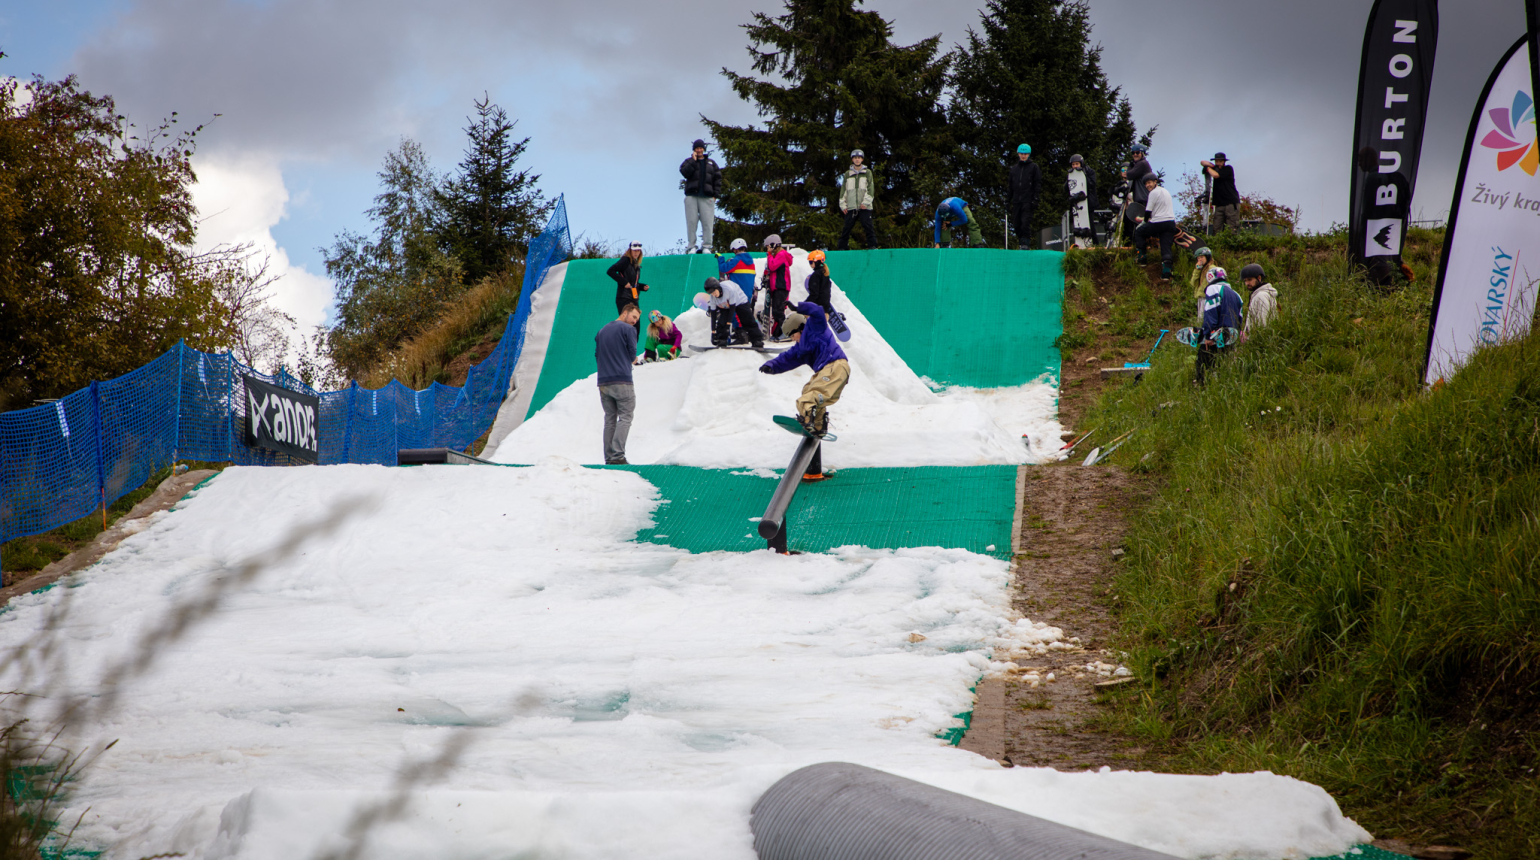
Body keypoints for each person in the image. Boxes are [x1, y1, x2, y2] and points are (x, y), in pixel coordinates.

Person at [759, 304, 849, 440]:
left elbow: (818, 310)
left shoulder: (816, 327)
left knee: (813, 394)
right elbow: (787, 358)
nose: (793, 339)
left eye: (793, 335)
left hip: (835, 365)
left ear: (800, 327)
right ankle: (818, 425)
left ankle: (806, 419)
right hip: (827, 370)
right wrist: (771, 365)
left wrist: (800, 308)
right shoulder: (801, 349)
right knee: (808, 389)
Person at [595, 304, 641, 465]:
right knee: (626, 417)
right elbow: (632, 354)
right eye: (634, 317)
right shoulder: (628, 329)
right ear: (625, 312)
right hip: (622, 380)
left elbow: (597, 355)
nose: (635, 321)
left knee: (610, 419)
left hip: (603, 381)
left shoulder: (601, 331)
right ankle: (618, 455)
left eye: (636, 319)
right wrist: (633, 359)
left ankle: (609, 457)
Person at [1197, 266, 1242, 385]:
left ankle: (1201, 388)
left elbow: (1211, 311)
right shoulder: (1236, 294)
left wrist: (1208, 335)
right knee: (1223, 367)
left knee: (1204, 365)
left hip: (1216, 336)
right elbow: (1240, 318)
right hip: (1231, 338)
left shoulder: (1213, 289)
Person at [680, 139, 722, 253]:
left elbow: (718, 179)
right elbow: (684, 172)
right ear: (694, 150)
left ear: (703, 149)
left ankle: (707, 246)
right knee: (691, 222)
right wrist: (693, 161)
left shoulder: (711, 163)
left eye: (700, 148)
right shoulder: (688, 161)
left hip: (707, 197)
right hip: (691, 196)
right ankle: (691, 246)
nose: (699, 150)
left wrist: (715, 195)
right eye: (697, 148)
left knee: (707, 222)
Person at [1133, 173, 1177, 281]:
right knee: (1166, 246)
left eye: (1149, 183)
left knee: (1139, 232)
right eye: (1146, 184)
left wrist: (1144, 222)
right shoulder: (1165, 191)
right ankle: (1166, 273)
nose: (1147, 185)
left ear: (1155, 182)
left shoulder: (1153, 193)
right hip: (1170, 222)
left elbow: (1148, 211)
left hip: (1158, 222)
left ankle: (1142, 259)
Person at [703, 277, 765, 348]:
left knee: (747, 320)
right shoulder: (713, 297)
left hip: (739, 301)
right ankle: (721, 339)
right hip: (725, 304)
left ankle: (757, 340)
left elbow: (732, 310)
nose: (714, 295)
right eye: (711, 293)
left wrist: (728, 326)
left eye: (714, 292)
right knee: (722, 321)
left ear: (718, 288)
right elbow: (713, 316)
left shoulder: (728, 290)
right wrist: (713, 332)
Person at [719, 237, 758, 340]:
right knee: (745, 313)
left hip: (737, 293)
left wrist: (720, 258)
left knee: (735, 312)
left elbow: (724, 268)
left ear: (735, 249)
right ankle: (745, 333)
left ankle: (741, 335)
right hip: (748, 292)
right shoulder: (751, 262)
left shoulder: (737, 260)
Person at [837, 150, 877, 250]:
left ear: (862, 159)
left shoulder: (867, 172)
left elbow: (871, 189)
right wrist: (843, 205)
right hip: (851, 206)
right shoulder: (848, 174)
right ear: (852, 159)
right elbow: (843, 191)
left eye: (859, 158)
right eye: (855, 158)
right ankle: (842, 248)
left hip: (864, 206)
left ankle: (872, 246)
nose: (857, 160)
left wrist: (866, 202)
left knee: (868, 226)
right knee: (847, 227)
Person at [606, 242, 649, 333]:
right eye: (634, 250)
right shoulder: (625, 260)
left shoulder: (635, 263)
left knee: (636, 327)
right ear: (630, 250)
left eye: (638, 251)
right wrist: (623, 282)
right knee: (627, 325)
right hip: (624, 298)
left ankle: (632, 343)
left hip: (633, 298)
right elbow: (610, 271)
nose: (636, 253)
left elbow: (632, 283)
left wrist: (642, 286)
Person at [1007, 144, 1042, 249]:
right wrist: (1008, 201)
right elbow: (1010, 186)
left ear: (1028, 155)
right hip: (1016, 200)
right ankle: (1021, 242)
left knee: (1025, 222)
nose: (1023, 156)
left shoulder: (1034, 167)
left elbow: (1037, 183)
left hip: (1028, 200)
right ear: (1018, 154)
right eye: (1021, 154)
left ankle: (1025, 243)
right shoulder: (1014, 169)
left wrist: (1036, 198)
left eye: (1025, 154)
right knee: (1016, 224)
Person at [1119, 143, 1153, 241]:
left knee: (1142, 225)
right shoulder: (1140, 164)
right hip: (1142, 198)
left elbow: (1129, 175)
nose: (1135, 154)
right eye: (1133, 153)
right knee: (1139, 225)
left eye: (1137, 152)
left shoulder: (1142, 164)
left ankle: (1144, 243)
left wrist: (1130, 165)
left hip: (1143, 198)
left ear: (1142, 153)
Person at [762, 234, 794, 338]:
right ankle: (777, 333)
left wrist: (769, 255)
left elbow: (772, 266)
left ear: (773, 245)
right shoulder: (777, 255)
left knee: (778, 311)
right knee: (776, 311)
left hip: (781, 286)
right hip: (777, 287)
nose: (767, 249)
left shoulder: (781, 254)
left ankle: (783, 333)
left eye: (768, 247)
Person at [1066, 153, 1099, 245]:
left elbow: (1092, 184)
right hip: (1077, 204)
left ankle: (1095, 245)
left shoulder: (1089, 171)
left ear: (1081, 163)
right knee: (1077, 226)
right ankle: (1080, 245)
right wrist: (1069, 178)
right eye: (1073, 164)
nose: (1075, 166)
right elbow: (1066, 188)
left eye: (1077, 164)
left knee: (1090, 225)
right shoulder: (1071, 174)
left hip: (1088, 203)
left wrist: (1084, 175)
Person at [1201, 153, 1239, 233]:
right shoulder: (1214, 168)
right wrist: (1211, 166)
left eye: (1220, 161)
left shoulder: (1228, 169)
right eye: (1217, 161)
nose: (1218, 163)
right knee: (1216, 228)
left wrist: (1208, 169)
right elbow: (1202, 162)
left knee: (1231, 228)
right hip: (1219, 204)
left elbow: (1216, 175)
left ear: (1224, 162)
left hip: (1230, 203)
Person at [1240, 263, 1277, 335]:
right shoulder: (1259, 294)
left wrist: (1254, 338)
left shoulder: (1261, 296)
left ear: (1259, 278)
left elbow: (1263, 322)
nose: (1247, 283)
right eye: (1245, 280)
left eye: (1250, 280)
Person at [804, 250, 835, 314]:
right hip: (825, 308)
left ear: (816, 262)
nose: (810, 264)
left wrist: (804, 305)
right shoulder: (825, 273)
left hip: (817, 308)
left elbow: (814, 294)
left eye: (810, 262)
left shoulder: (815, 275)